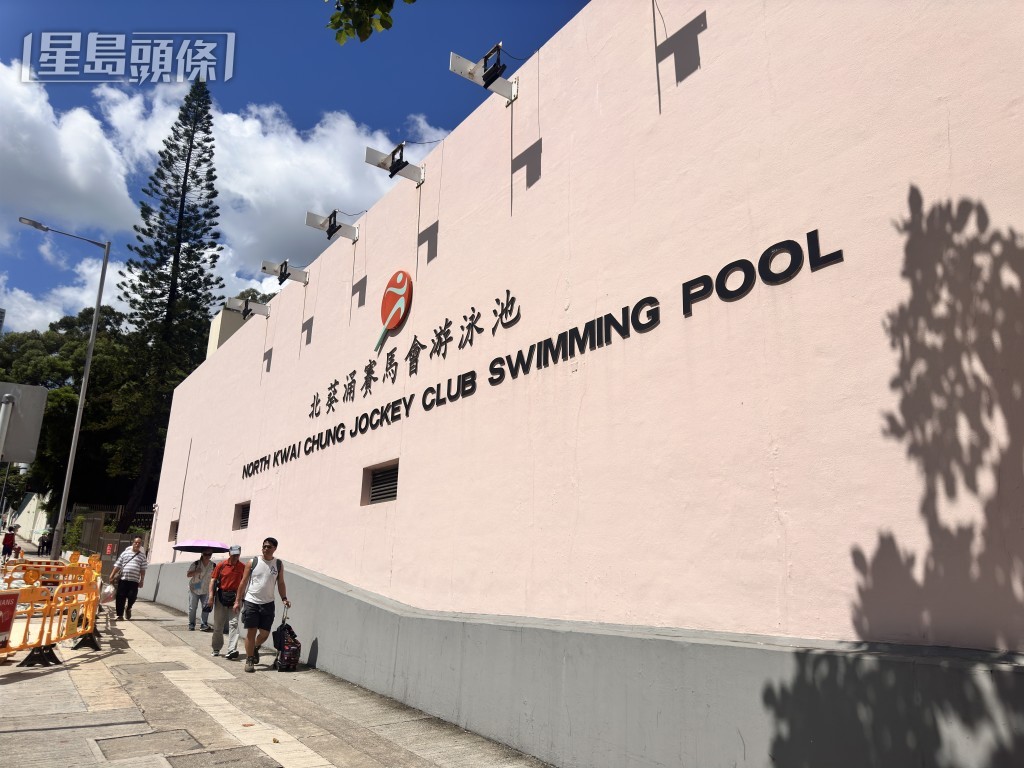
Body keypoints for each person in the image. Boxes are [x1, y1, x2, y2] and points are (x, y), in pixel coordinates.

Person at [235, 537, 290, 673]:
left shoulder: (278, 564)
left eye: (269, 547)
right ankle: (249, 659)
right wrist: (237, 600)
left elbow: (281, 583)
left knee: (265, 634)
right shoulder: (253, 562)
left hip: (268, 604)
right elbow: (243, 582)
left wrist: (284, 598)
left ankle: (254, 647)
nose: (266, 549)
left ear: (275, 548)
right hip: (251, 601)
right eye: (264, 546)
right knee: (251, 632)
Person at [208, 544, 245, 658]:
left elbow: (244, 583)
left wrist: (241, 599)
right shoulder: (221, 565)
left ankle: (231, 650)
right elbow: (213, 580)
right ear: (229, 553)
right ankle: (216, 648)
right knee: (218, 625)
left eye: (237, 555)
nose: (235, 557)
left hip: (236, 597)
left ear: (239, 554)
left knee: (234, 623)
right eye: (233, 555)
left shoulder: (242, 567)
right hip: (221, 596)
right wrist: (211, 597)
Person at [110, 537, 148, 620]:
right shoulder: (125, 553)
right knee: (120, 597)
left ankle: (128, 607)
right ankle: (120, 615)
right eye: (136, 542)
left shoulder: (142, 556)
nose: (137, 544)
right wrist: (111, 575)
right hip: (123, 579)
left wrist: (142, 580)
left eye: (139, 543)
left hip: (134, 581)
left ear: (140, 545)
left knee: (132, 597)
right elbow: (118, 565)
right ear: (133, 543)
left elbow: (143, 569)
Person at [186, 549, 215, 631]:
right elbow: (188, 574)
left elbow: (215, 577)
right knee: (192, 608)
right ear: (202, 554)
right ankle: (191, 624)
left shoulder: (213, 565)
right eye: (205, 554)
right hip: (194, 589)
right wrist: (196, 571)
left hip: (206, 589)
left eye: (209, 554)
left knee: (206, 607)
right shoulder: (196, 564)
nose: (207, 556)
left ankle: (203, 624)